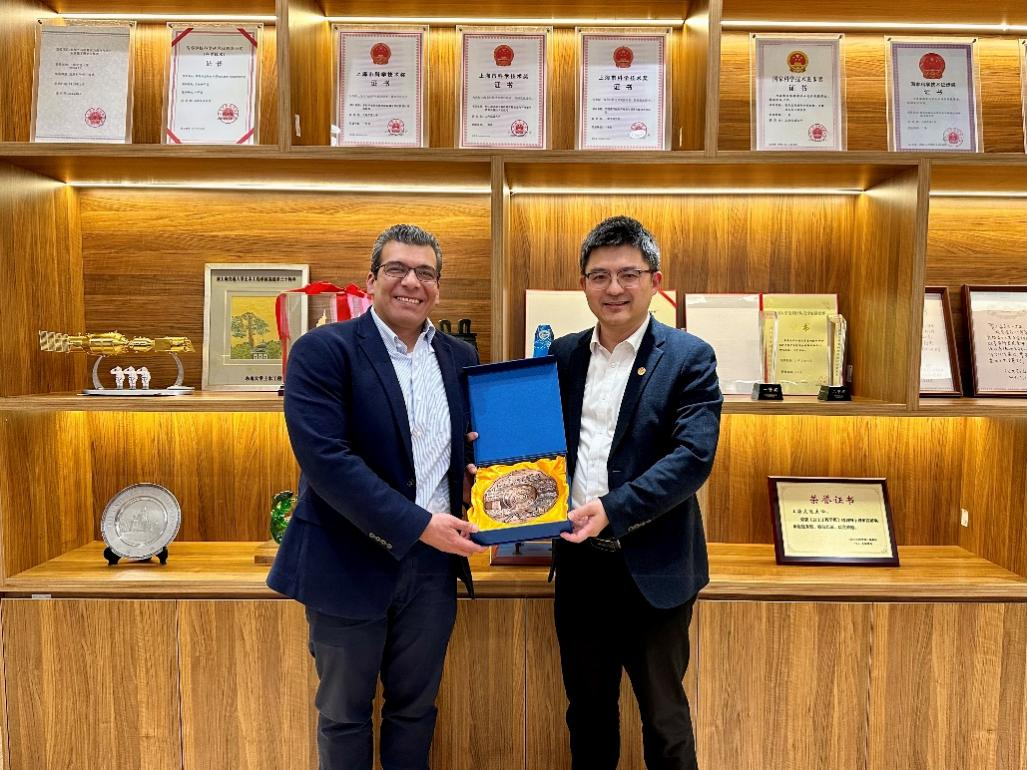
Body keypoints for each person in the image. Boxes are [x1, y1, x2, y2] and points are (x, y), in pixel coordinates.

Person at [267, 223, 485, 770]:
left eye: (425, 273)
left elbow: (464, 447)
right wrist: (419, 525)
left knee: (415, 711)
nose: (411, 282)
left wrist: (477, 480)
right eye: (397, 269)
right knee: (344, 715)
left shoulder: (460, 356)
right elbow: (327, 462)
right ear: (371, 281)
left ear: (438, 287)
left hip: (432, 569)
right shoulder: (323, 351)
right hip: (346, 561)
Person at [549, 215, 723, 770]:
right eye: (599, 276)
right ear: (583, 284)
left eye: (629, 274)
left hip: (656, 566)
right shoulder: (563, 356)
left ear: (655, 281)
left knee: (664, 719)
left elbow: (692, 459)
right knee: (588, 713)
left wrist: (612, 510)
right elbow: (541, 445)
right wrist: (494, 455)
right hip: (580, 565)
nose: (614, 288)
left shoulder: (689, 357)